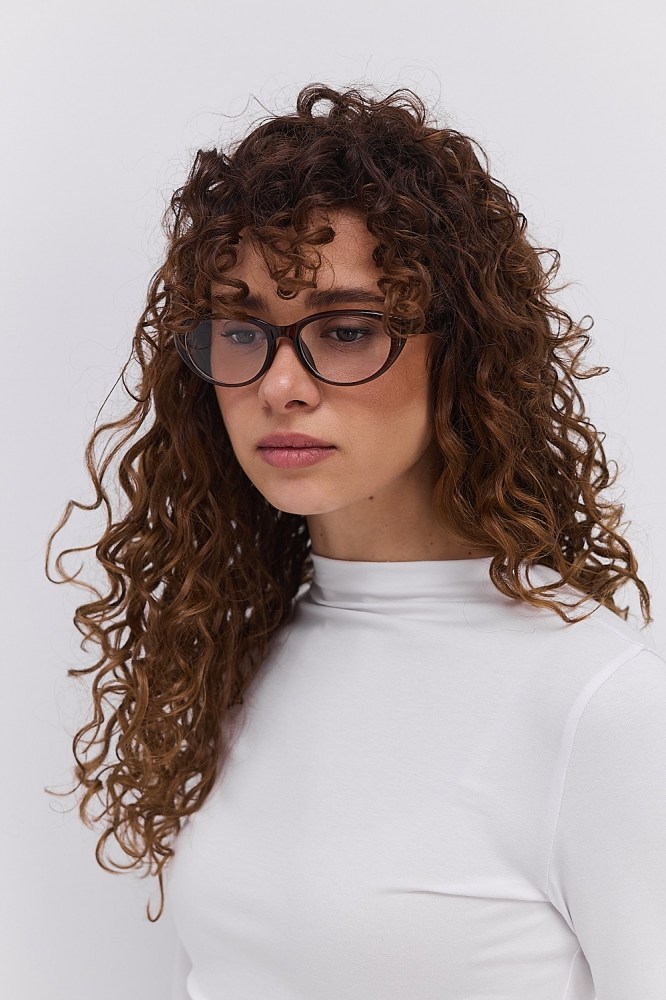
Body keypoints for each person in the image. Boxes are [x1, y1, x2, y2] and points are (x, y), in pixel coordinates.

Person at [47, 83, 666, 1000]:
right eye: (242, 330)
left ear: (464, 353)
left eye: (344, 331)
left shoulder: (600, 707)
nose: (280, 385)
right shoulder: (238, 652)